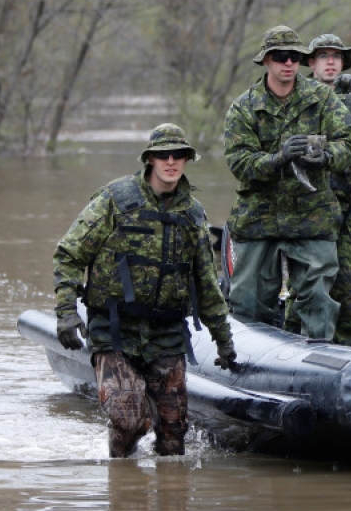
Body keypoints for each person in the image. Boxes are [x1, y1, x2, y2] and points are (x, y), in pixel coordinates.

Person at [53, 123, 236, 458]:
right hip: (116, 330)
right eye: (163, 154)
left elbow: (206, 284)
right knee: (128, 419)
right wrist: (66, 312)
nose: (171, 161)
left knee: (174, 437)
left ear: (186, 160)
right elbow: (69, 253)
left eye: (178, 155)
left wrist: (224, 341)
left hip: (166, 333)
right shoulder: (115, 200)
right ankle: (123, 476)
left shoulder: (192, 214)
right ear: (150, 159)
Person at [223, 25, 351, 340]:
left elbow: (348, 144)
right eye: (282, 57)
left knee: (317, 301)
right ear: (267, 61)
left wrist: (325, 157)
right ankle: (247, 359)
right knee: (250, 301)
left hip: (311, 215)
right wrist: (278, 159)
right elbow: (239, 163)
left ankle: (318, 360)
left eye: (295, 57)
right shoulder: (244, 107)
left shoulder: (322, 98)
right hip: (260, 217)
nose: (289, 63)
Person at [282, 33, 351, 346]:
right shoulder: (297, 98)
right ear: (311, 63)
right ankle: (289, 338)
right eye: (324, 56)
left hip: (348, 205)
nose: (331, 62)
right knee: (308, 279)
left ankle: (348, 344)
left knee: (346, 279)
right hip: (310, 207)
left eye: (336, 57)